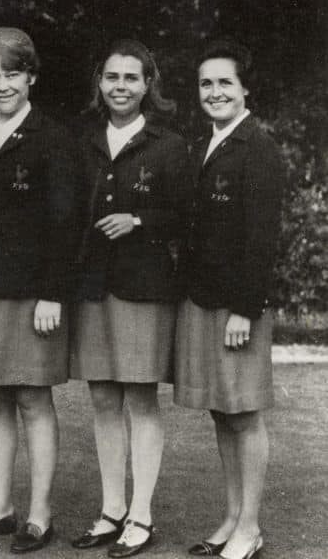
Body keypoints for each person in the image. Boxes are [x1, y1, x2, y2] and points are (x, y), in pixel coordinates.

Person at [0, 27, 80, 555]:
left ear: (31, 76)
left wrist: (53, 293)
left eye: (11, 73)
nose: (2, 84)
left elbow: (66, 223)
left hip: (32, 294)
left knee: (33, 397)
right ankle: (1, 507)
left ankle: (40, 515)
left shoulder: (54, 138)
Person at [69, 39, 189, 558]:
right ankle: (111, 510)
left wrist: (139, 220)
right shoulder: (84, 142)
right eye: (112, 77)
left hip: (145, 289)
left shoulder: (168, 146)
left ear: (147, 86)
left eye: (131, 78)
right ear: (100, 83)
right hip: (92, 287)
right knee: (101, 399)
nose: (120, 86)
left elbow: (189, 216)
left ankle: (141, 516)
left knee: (140, 398)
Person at [175, 39, 284, 559]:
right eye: (206, 83)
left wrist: (245, 307)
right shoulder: (207, 143)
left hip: (237, 306)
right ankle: (233, 517)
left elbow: (261, 238)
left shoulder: (258, 148)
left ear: (245, 89)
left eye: (224, 83)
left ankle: (251, 527)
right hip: (204, 298)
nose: (214, 92)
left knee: (244, 414)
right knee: (222, 412)